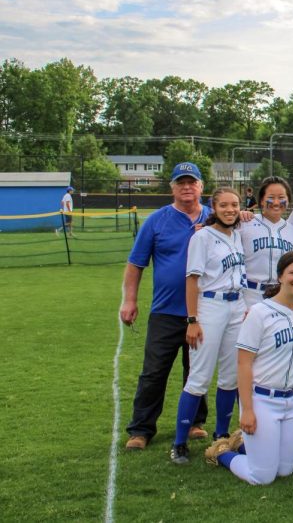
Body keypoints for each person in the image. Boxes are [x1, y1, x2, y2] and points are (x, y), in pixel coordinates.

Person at [120, 162, 210, 451]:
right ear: (172, 187)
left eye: (192, 182)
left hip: (205, 310)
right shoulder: (157, 221)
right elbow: (136, 265)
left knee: (196, 369)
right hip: (166, 312)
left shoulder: (215, 217)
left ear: (201, 187)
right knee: (154, 372)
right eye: (180, 182)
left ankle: (195, 422)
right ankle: (141, 429)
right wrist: (130, 300)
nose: (187, 187)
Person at [204, 251, 293, 484]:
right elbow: (243, 363)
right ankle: (222, 452)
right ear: (280, 276)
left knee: (285, 471)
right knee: (262, 476)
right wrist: (248, 410)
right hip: (264, 399)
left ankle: (248, 444)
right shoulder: (259, 312)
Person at [170, 186, 246, 464]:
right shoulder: (202, 237)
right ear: (213, 208)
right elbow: (192, 280)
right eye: (224, 205)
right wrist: (192, 320)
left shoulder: (237, 235)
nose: (230, 210)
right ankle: (179, 443)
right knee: (199, 376)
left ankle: (221, 436)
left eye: (235, 205)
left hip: (236, 305)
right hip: (210, 306)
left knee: (230, 376)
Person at [238, 176, 293, 310]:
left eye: (281, 197)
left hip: (282, 295)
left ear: (288, 200)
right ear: (261, 200)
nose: (276, 202)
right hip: (250, 295)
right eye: (271, 197)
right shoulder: (245, 223)